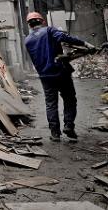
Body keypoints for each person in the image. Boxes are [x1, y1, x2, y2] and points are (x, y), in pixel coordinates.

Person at [24, 11, 93, 142]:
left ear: (29, 25)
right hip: (61, 72)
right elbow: (63, 37)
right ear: (42, 21)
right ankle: (68, 126)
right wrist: (84, 43)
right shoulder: (49, 31)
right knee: (69, 99)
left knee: (51, 104)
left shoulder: (28, 40)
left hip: (45, 76)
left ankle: (55, 133)